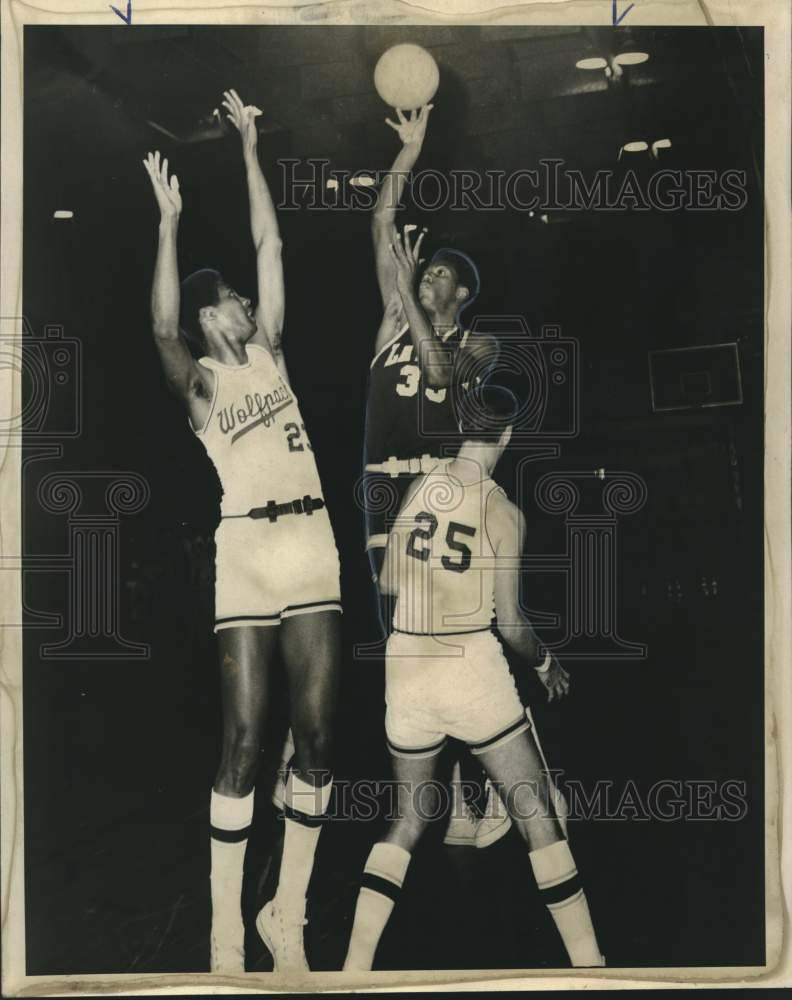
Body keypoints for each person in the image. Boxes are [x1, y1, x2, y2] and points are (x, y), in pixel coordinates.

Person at [142, 88, 341, 974]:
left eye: (242, 301)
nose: (245, 307)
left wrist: (251, 145)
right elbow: (157, 323)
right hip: (246, 553)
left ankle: (284, 915)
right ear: (206, 321)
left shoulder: (275, 352)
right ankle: (227, 929)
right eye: (228, 303)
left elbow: (271, 242)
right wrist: (169, 223)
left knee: (323, 739)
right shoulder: (201, 388)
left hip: (313, 546)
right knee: (247, 742)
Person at [343, 385, 605, 971]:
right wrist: (546, 663)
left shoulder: (417, 491)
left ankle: (352, 971)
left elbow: (386, 581)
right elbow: (511, 625)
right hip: (468, 664)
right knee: (539, 815)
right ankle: (593, 968)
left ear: (461, 428)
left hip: (406, 662)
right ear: (507, 436)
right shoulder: (504, 512)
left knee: (409, 819)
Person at [362, 104, 506, 847]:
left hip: (442, 504)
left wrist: (412, 300)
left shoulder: (477, 344)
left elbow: (443, 376)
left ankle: (487, 788)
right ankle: (446, 796)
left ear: (461, 294)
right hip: (384, 498)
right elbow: (380, 223)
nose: (427, 277)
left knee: (454, 642)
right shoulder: (394, 322)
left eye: (438, 274)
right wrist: (410, 152)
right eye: (427, 271)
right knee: (407, 648)